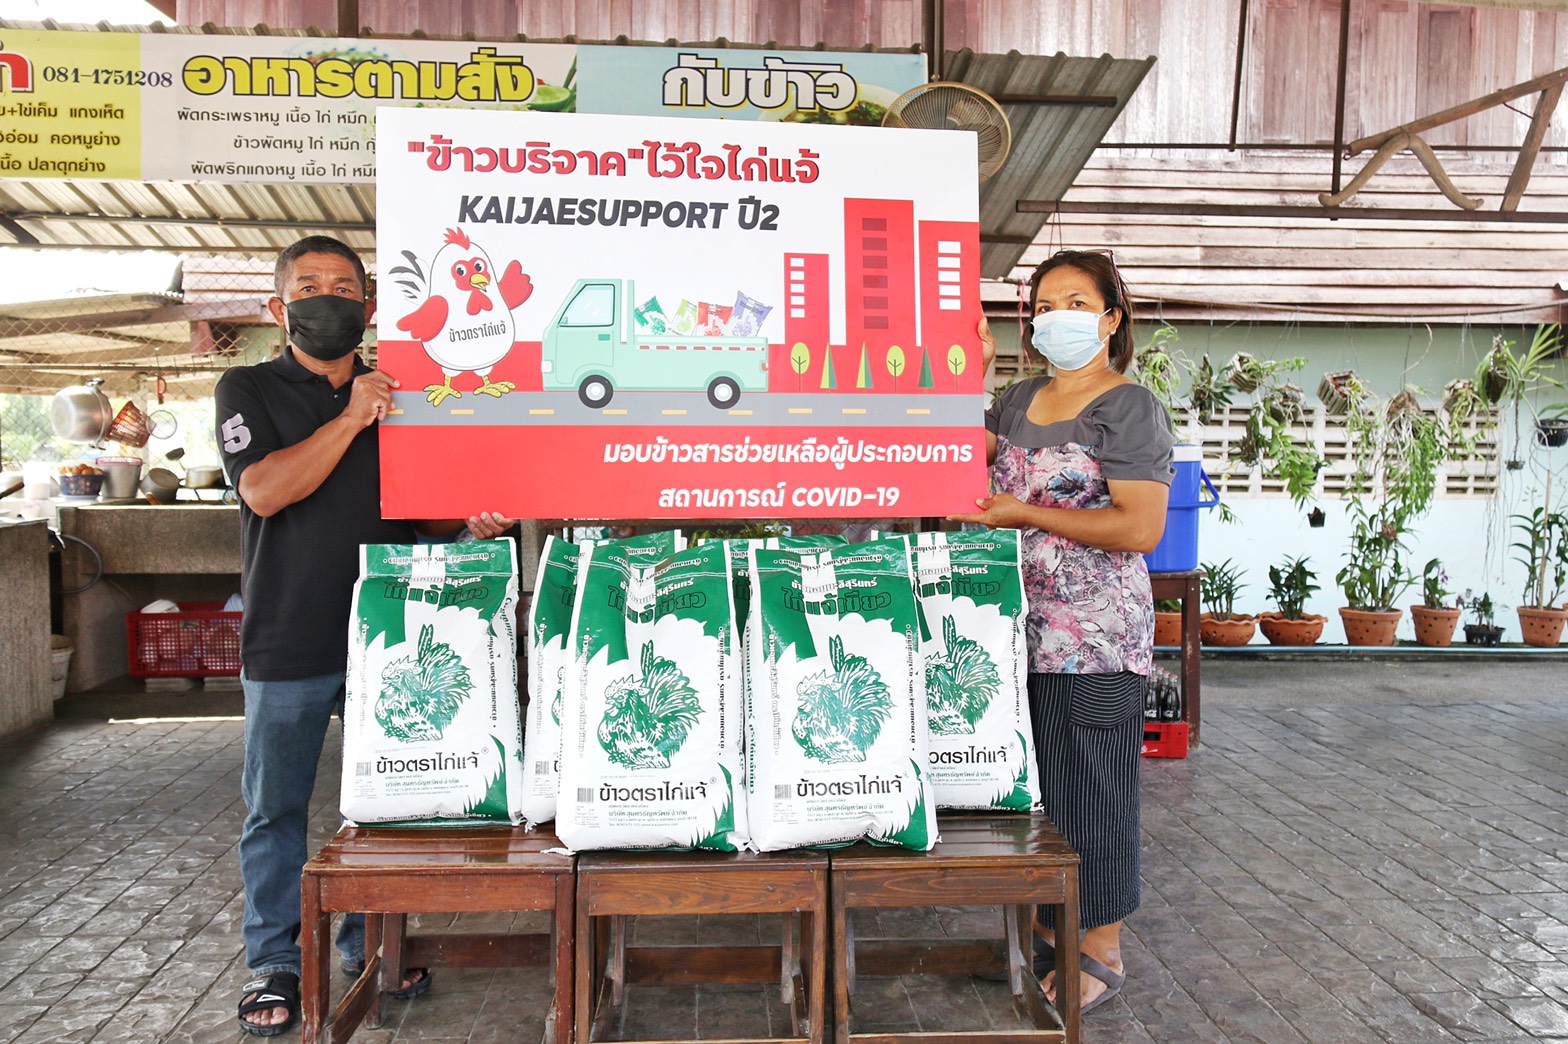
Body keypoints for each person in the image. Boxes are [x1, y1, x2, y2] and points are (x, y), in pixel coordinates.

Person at [217, 236, 512, 1036]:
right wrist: (353, 417)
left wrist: (471, 518)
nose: (329, 299)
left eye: (345, 288)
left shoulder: (405, 393)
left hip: (390, 639)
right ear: (279, 307)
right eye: (310, 286)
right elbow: (265, 490)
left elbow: (425, 517)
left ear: (370, 308)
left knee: (388, 803)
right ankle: (274, 963)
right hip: (287, 638)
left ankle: (367, 944)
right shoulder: (248, 387)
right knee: (275, 809)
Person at [949, 249, 1173, 1015]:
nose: (1057, 317)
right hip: (1016, 634)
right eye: (1044, 305)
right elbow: (960, 452)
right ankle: (1050, 935)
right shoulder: (1017, 401)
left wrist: (1026, 512)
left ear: (1111, 319)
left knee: (1093, 791)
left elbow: (1139, 527)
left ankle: (1101, 948)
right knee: (1039, 793)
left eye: (1076, 303)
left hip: (1095, 641)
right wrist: (974, 371)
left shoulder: (1129, 407)